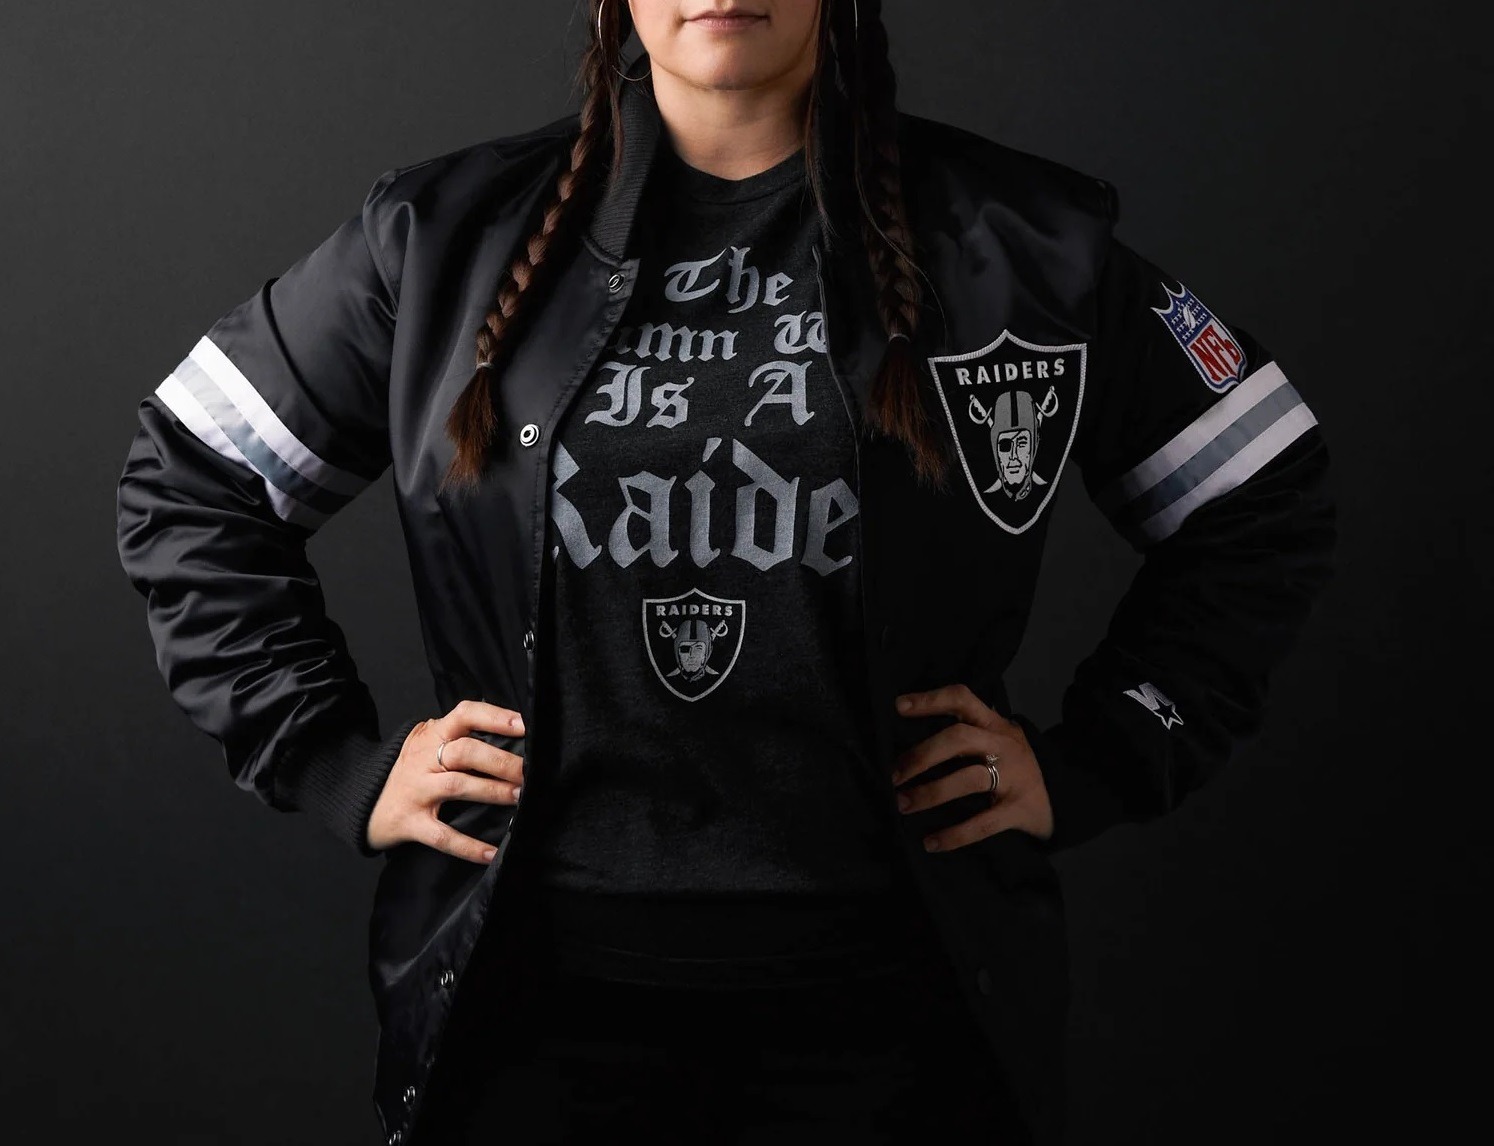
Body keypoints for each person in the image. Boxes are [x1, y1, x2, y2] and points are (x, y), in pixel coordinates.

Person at [113, 1, 1337, 1143]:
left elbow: (1259, 491)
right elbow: (191, 479)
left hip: (899, 1020)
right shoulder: (440, 240)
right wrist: (330, 757)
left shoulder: (1016, 243)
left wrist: (1104, 757)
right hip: (527, 1014)